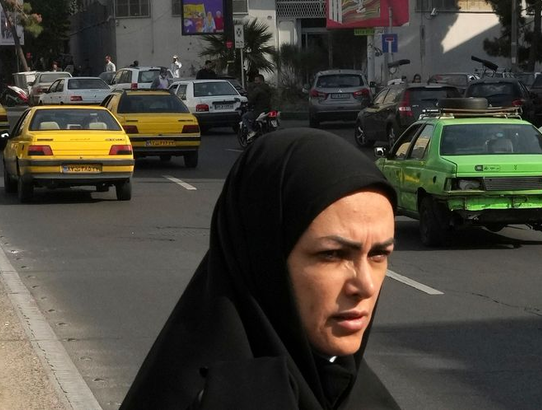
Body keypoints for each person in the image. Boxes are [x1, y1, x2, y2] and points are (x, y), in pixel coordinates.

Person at [119, 131, 400, 410]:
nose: (365, 286)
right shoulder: (211, 399)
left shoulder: (352, 388)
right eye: (332, 255)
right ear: (263, 260)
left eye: (378, 254)